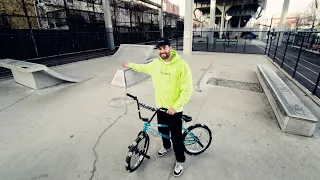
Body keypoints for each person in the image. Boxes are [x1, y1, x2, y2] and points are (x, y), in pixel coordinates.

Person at [122, 37, 193, 177]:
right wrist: (130, 64)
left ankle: (180, 161)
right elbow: (142, 67)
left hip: (174, 110)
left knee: (177, 140)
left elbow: (187, 90)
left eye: (164, 48)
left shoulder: (181, 65)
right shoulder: (155, 64)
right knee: (163, 131)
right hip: (160, 108)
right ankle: (166, 147)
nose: (162, 51)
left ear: (170, 48)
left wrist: (176, 106)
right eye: (159, 49)